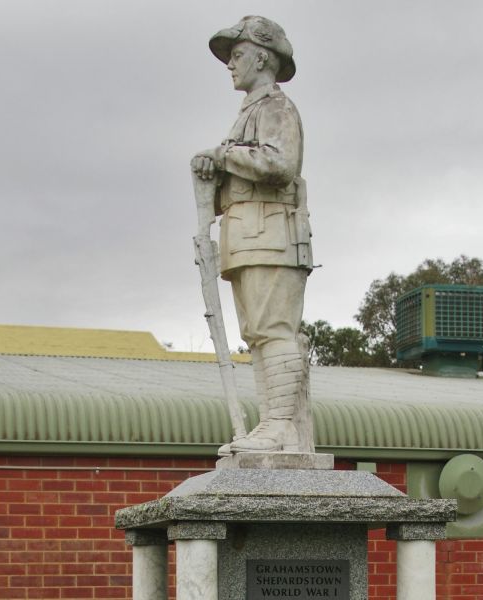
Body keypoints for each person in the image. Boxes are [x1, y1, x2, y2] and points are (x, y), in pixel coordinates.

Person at [191, 16, 313, 454]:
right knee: (258, 335)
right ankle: (271, 426)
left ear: (263, 57)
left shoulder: (277, 108)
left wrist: (223, 156)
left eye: (237, 54)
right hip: (247, 235)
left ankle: (280, 425)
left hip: (271, 233)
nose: (231, 64)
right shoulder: (249, 113)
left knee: (273, 329)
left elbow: (281, 165)